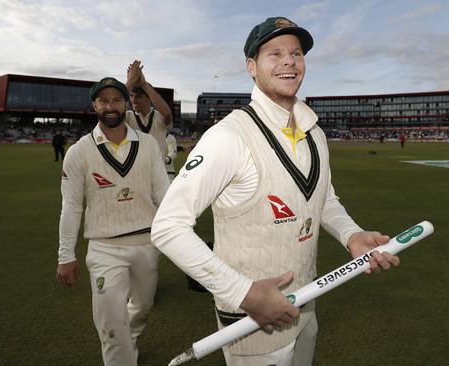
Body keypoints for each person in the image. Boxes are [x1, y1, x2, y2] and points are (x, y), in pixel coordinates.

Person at [151, 16, 400, 366]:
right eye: (275, 53)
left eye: (296, 53)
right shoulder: (228, 136)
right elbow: (168, 227)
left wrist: (352, 235)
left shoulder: (313, 131)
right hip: (252, 322)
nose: (289, 61)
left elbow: (323, 199)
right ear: (251, 66)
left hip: (305, 305)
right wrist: (244, 293)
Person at [56, 76, 169, 366]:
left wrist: (177, 237)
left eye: (116, 99)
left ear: (125, 104)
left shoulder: (147, 145)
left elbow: (163, 195)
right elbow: (70, 206)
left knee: (142, 307)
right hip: (104, 248)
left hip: (146, 243)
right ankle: (121, 354)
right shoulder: (78, 152)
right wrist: (65, 255)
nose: (110, 106)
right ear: (94, 105)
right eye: (103, 100)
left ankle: (127, 342)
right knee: (109, 322)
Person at [127, 60, 173, 169]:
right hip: (133, 173)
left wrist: (144, 84)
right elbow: (114, 107)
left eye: (138, 96)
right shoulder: (127, 117)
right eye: (131, 96)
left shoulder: (158, 116)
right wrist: (130, 81)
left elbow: (167, 114)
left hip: (157, 174)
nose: (133, 100)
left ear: (148, 98)